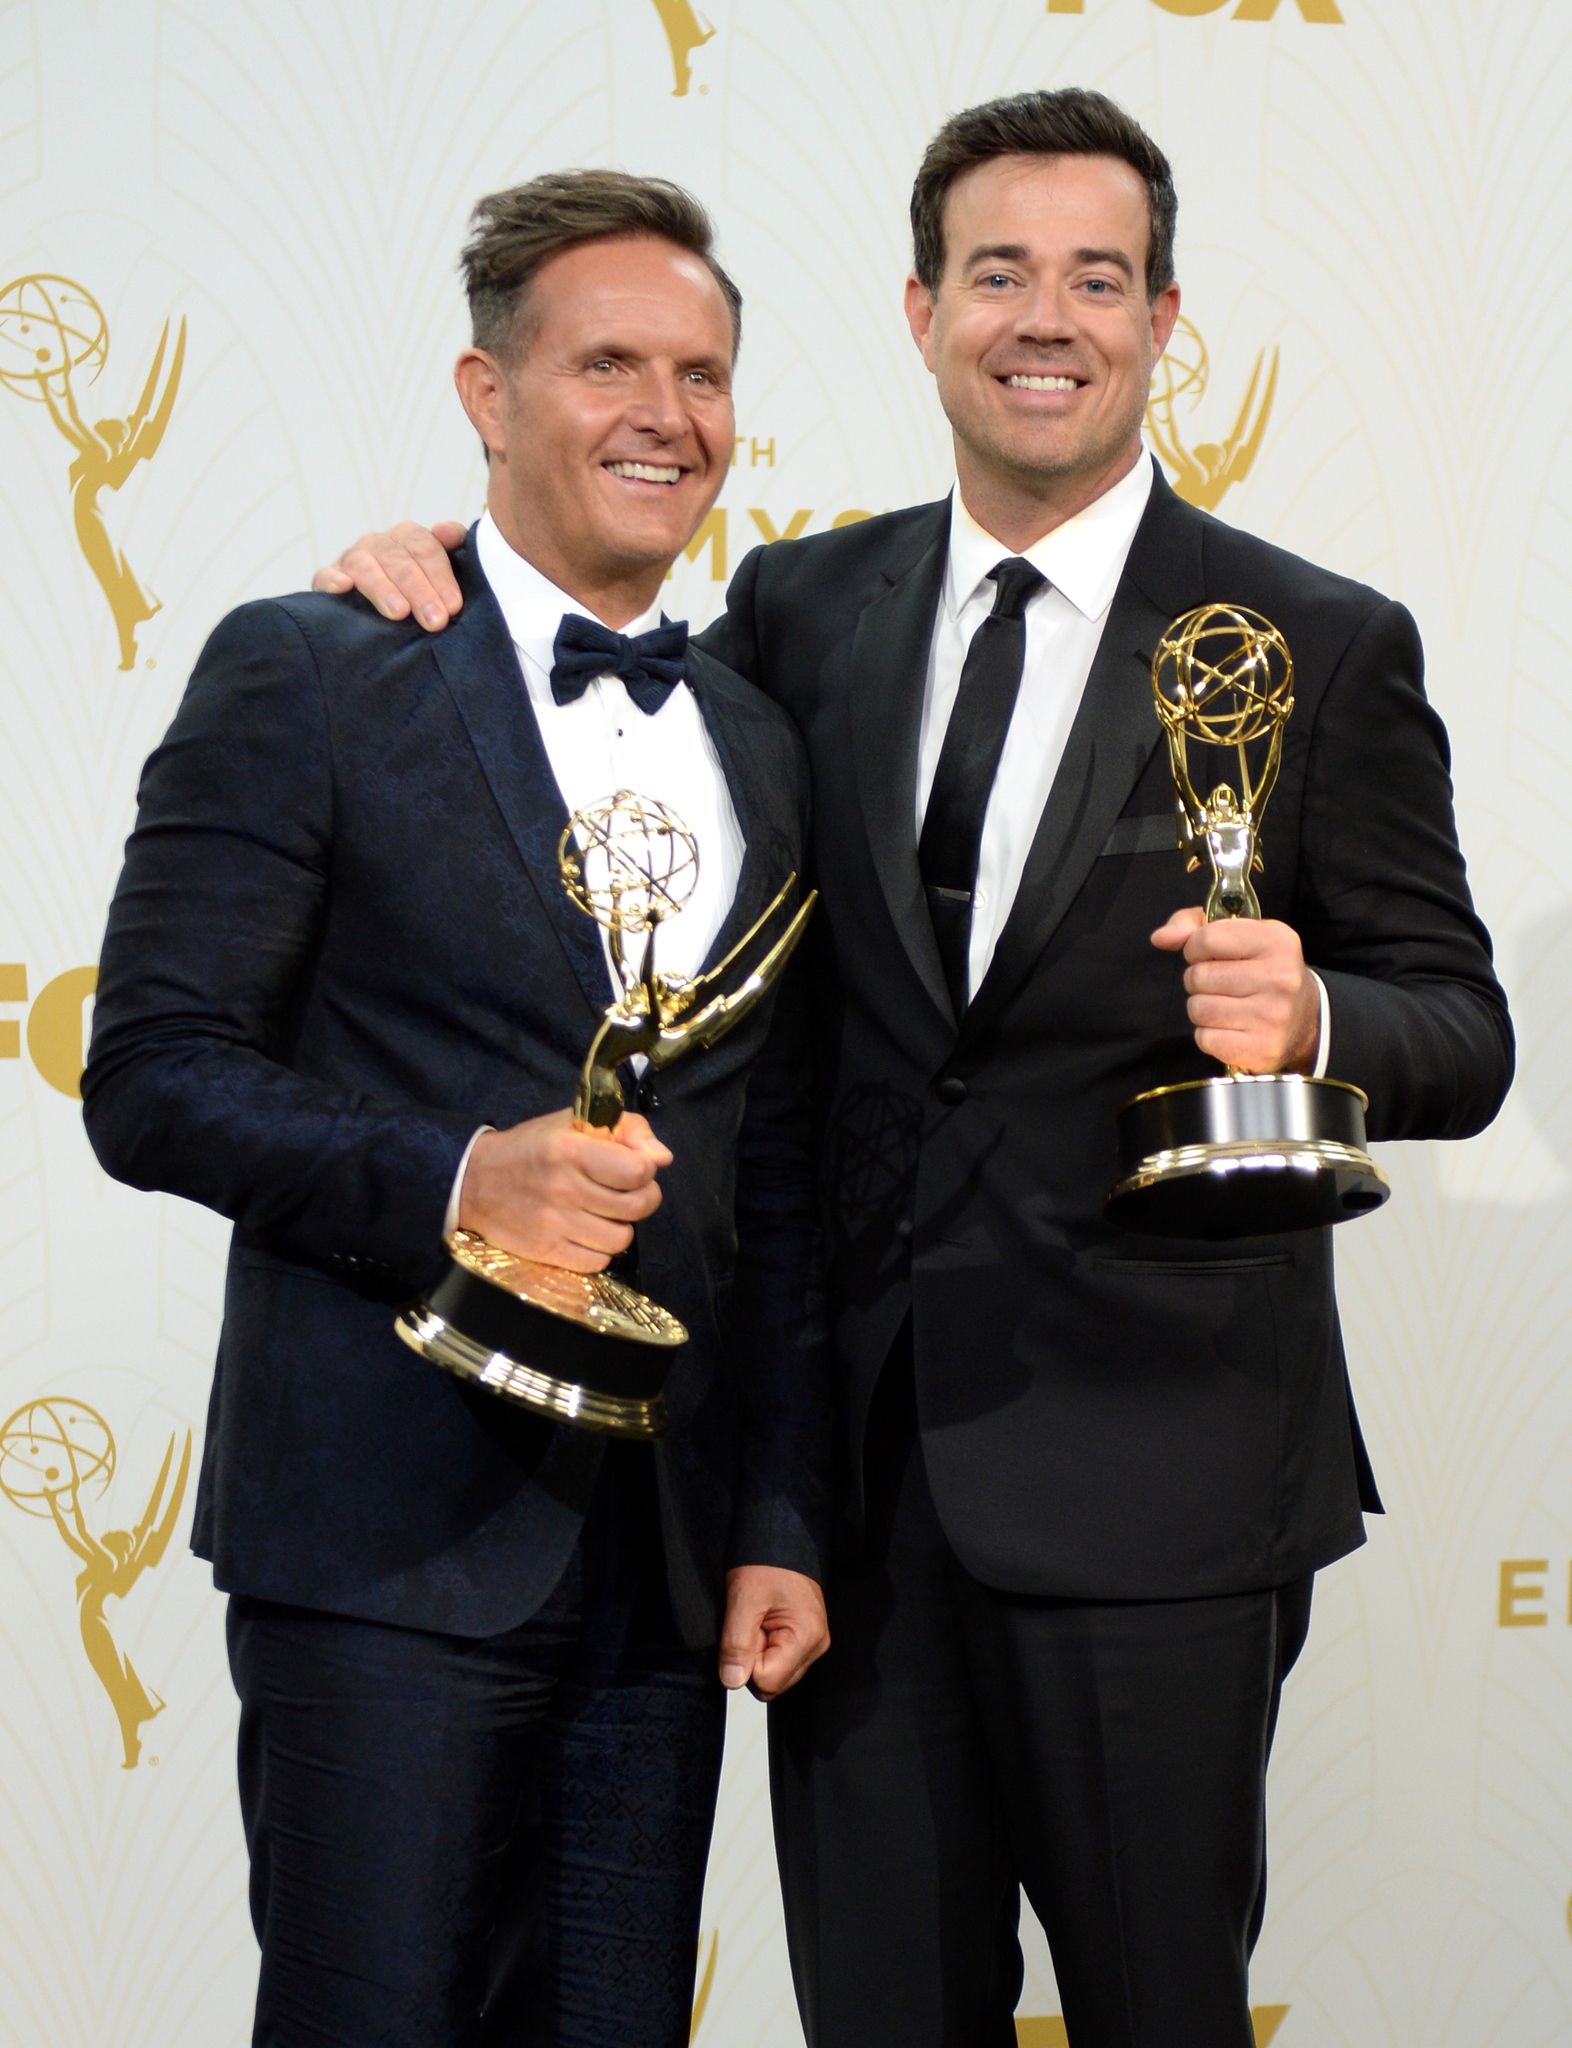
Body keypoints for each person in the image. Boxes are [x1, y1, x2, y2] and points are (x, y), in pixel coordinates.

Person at [314, 90, 1513, 2048]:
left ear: (1163, 316)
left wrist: (1314, 1017)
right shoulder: (802, 605)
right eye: (1001, 272)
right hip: (853, 1505)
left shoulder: (1315, 637)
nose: (1047, 316)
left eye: (1097, 277)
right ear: (921, 308)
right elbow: (613, 757)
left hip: (1170, 1485)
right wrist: (430, 586)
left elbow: (1459, 1026)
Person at [82, 170, 830, 2048]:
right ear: (488, 398)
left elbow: (783, 1175)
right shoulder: (317, 665)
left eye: (704, 372)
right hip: (385, 1552)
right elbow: (150, 1074)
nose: (668, 413)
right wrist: (455, 1179)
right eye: (607, 366)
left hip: (658, 1573)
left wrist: (784, 1512)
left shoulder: (759, 732)